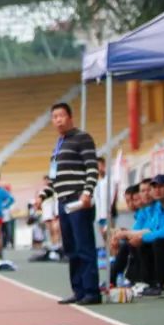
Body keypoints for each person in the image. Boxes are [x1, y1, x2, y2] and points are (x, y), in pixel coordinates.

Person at [49, 103, 101, 305]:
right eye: (54, 117)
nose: (58, 120)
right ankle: (78, 289)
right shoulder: (59, 143)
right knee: (70, 248)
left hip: (78, 198)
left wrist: (87, 192)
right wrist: (43, 195)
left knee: (84, 246)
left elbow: (92, 168)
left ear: (70, 117)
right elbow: (56, 177)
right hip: (63, 201)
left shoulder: (82, 138)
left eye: (61, 115)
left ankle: (92, 291)